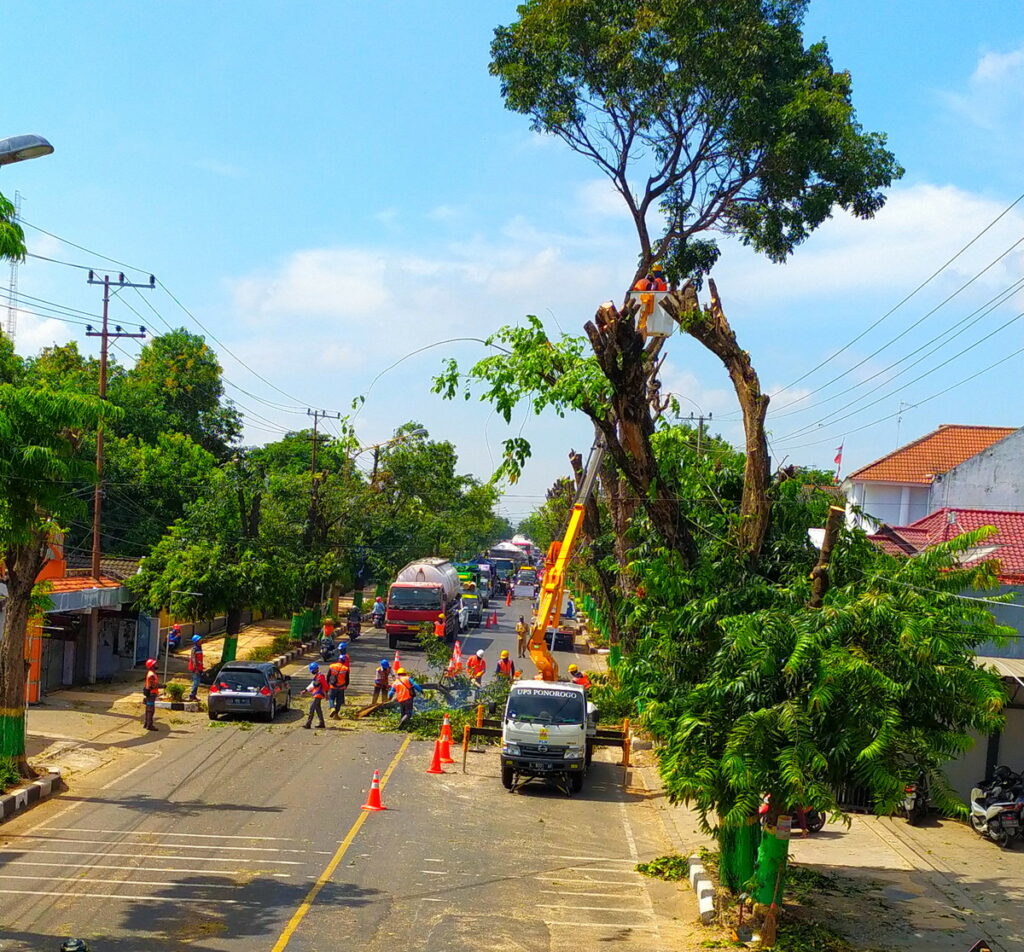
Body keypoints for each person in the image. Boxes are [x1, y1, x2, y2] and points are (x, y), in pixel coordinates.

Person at [301, 662, 328, 729]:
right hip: (316, 694)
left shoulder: (320, 676)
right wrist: (305, 690)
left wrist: (326, 694)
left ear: (316, 669)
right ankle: (322, 723)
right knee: (318, 709)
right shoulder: (316, 676)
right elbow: (312, 685)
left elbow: (325, 685)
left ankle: (308, 724)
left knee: (312, 708)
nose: (312, 672)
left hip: (319, 695)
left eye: (313, 670)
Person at [327, 651, 350, 717]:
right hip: (341, 687)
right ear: (343, 661)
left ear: (338, 660)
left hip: (333, 686)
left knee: (331, 698)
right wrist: (346, 685)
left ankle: (332, 708)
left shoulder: (332, 666)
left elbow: (328, 676)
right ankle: (336, 713)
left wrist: (327, 684)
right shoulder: (345, 668)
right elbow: (347, 679)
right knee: (339, 701)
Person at [142, 658, 159, 731]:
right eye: (155, 664)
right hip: (151, 694)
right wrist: (162, 686)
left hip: (150, 693)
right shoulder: (151, 675)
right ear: (151, 666)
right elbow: (153, 685)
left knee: (148, 709)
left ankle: (146, 723)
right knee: (150, 710)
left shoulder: (151, 673)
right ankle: (149, 725)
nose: (157, 665)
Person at [186, 635, 204, 701]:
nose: (201, 641)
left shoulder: (200, 648)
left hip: (199, 668)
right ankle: (191, 695)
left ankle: (194, 696)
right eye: (199, 640)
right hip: (195, 668)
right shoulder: (195, 649)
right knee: (196, 682)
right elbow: (193, 659)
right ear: (196, 641)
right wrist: (195, 668)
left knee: (198, 682)